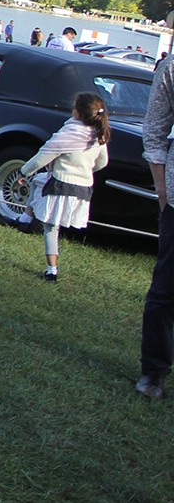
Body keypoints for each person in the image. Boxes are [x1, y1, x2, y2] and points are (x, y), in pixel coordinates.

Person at [15, 92, 110, 282]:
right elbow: (102, 163)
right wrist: (85, 170)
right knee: (39, 181)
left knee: (51, 227)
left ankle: (52, 269)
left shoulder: (68, 134)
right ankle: (26, 217)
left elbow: (43, 156)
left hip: (60, 185)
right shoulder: (98, 135)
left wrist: (24, 172)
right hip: (82, 189)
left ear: (77, 113)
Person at [139, 52, 174, 399]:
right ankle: (154, 372)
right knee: (165, 292)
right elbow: (154, 130)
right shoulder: (171, 67)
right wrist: (162, 188)